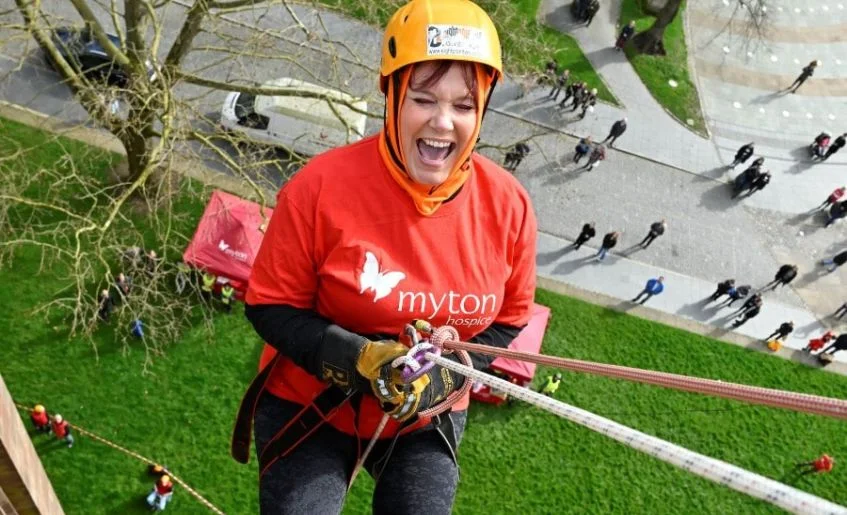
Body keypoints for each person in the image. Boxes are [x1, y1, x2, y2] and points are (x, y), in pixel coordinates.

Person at [234, 2, 538, 513]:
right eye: (423, 98)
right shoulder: (320, 189)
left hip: (424, 414)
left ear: (482, 110)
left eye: (464, 105)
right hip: (312, 400)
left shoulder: (508, 207)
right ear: (391, 95)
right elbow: (269, 305)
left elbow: (508, 322)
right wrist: (356, 357)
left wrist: (451, 370)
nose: (443, 123)